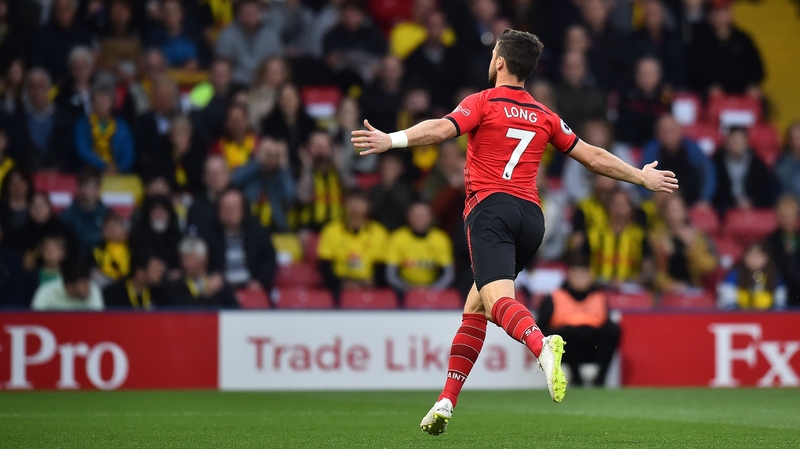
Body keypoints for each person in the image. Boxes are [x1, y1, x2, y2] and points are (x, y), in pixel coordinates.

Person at [352, 28, 677, 434]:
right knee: (477, 306)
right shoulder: (544, 114)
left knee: (498, 300)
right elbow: (591, 156)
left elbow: (441, 128)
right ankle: (445, 403)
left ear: (500, 61)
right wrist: (639, 178)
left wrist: (393, 139)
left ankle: (543, 346)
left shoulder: (483, 102)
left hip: (491, 210)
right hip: (531, 218)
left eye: (493, 54)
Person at [537, 252, 620, 387]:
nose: (580, 278)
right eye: (576, 274)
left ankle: (600, 380)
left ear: (590, 276)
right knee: (567, 334)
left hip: (592, 347)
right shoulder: (554, 297)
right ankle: (576, 379)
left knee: (613, 330)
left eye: (584, 274)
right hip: (566, 350)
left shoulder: (598, 297)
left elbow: (608, 325)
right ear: (568, 275)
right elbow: (541, 328)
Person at [317, 190, 389, 303]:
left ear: (368, 206)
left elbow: (382, 265)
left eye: (360, 202)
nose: (355, 206)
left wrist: (373, 282)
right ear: (345, 204)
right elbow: (325, 264)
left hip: (369, 286)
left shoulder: (379, 233)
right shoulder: (331, 231)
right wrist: (340, 283)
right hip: (339, 285)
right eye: (352, 201)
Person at [203, 188, 276, 292]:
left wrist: (260, 281)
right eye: (224, 208)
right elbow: (204, 262)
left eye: (233, 208)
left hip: (251, 287)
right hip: (221, 289)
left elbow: (269, 260)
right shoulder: (209, 234)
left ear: (243, 210)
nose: (229, 213)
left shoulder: (258, 232)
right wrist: (211, 276)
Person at [640, 114, 716, 208]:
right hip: (659, 204)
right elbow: (642, 178)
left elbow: (708, 175)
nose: (669, 135)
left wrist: (704, 200)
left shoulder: (692, 149)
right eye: (665, 131)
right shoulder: (652, 151)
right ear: (657, 133)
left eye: (672, 130)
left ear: (680, 131)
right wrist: (652, 198)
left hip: (691, 204)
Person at [650, 195, 717, 293]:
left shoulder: (698, 237)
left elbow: (708, 268)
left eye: (678, 210)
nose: (674, 214)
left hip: (694, 289)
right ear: (664, 214)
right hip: (668, 292)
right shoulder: (657, 239)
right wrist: (672, 285)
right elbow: (657, 274)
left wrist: (692, 246)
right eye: (671, 210)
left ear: (685, 211)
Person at [12, 68, 75, 172]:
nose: (36, 91)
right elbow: (18, 151)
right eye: (32, 87)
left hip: (59, 177)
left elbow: (68, 151)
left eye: (40, 86)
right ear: (26, 91)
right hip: (28, 177)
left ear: (49, 89)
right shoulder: (18, 120)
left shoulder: (65, 119)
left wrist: (57, 168)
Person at [385, 202, 454, 294]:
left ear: (430, 218)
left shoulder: (441, 239)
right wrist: (409, 290)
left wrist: (432, 290)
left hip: (433, 290)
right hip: (403, 291)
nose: (419, 220)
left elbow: (449, 274)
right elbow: (391, 274)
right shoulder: (397, 238)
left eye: (423, 216)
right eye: (415, 216)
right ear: (408, 218)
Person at [231, 137, 296, 232]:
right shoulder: (251, 175)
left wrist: (284, 166)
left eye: (275, 156)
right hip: (248, 229)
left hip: (276, 229)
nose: (271, 160)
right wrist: (258, 162)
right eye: (268, 155)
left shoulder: (282, 177)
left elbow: (290, 196)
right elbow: (235, 180)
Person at [712, 127, 779, 216]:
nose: (737, 145)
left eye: (740, 141)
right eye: (734, 141)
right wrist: (735, 202)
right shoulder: (716, 162)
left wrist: (751, 202)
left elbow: (762, 189)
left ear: (747, 143)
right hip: (725, 206)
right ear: (726, 143)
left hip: (753, 205)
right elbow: (716, 190)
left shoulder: (758, 164)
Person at [215, 0, 282, 85]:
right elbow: (221, 63)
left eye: (253, 12)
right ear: (239, 14)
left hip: (266, 84)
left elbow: (278, 61)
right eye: (246, 13)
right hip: (235, 84)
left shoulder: (270, 35)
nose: (250, 16)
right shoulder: (227, 34)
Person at [74, 85, 135, 174]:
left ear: (112, 103)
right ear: (92, 103)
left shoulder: (121, 125)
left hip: (117, 172)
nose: (101, 104)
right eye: (98, 101)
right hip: (90, 172)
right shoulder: (83, 123)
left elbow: (128, 152)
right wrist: (104, 166)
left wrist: (118, 168)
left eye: (105, 101)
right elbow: (82, 149)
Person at [164, 236, 239, 308]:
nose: (186, 263)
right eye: (183, 259)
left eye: (191, 259)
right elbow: (183, 313)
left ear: (205, 259)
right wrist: (206, 295)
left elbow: (236, 313)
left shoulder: (219, 284)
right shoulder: (175, 286)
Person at [718, 242, 786, 310]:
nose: (753, 259)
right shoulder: (734, 276)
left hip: (768, 317)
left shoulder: (774, 277)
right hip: (740, 317)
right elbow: (728, 303)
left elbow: (779, 304)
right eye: (750, 255)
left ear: (766, 258)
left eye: (757, 256)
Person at [60, 168, 110, 255]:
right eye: (84, 185)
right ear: (78, 188)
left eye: (92, 186)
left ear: (98, 189)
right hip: (73, 260)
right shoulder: (66, 216)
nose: (87, 190)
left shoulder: (108, 215)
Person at [31, 258, 104, 311]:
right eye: (83, 283)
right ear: (69, 286)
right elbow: (35, 318)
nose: (88, 287)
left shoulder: (93, 289)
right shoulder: (47, 291)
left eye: (88, 282)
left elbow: (98, 321)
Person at [767, 195, 800, 307]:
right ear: (777, 217)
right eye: (783, 216)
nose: (787, 220)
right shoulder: (770, 242)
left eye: (790, 215)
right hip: (780, 295)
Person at [367, 154, 415, 231]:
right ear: (381, 166)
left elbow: (405, 211)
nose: (390, 167)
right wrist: (386, 186)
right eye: (387, 163)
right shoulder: (373, 189)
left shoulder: (407, 189)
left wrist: (390, 185)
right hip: (375, 233)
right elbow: (373, 210)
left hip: (401, 233)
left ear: (402, 169)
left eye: (394, 164)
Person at [92, 212, 130, 286]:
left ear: (124, 230)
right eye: (107, 227)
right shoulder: (96, 251)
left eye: (114, 226)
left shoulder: (134, 248)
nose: (111, 230)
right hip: (106, 284)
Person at [776, 122, 800, 199]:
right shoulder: (781, 165)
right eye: (794, 138)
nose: (797, 142)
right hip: (789, 206)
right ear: (789, 141)